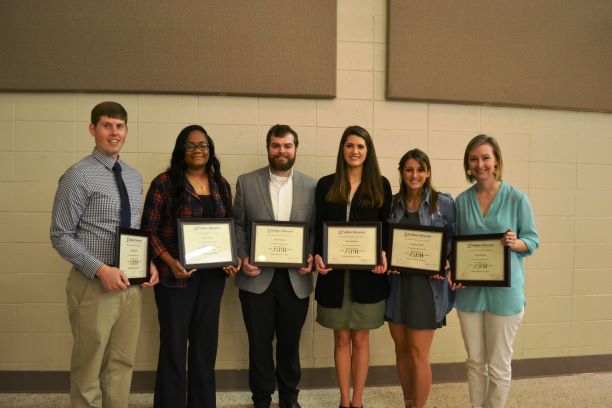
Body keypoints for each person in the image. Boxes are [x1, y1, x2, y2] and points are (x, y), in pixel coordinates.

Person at [50, 101, 158, 408]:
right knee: (89, 365)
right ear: (92, 129)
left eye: (120, 126)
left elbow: (133, 230)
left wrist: (147, 263)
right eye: (107, 125)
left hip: (131, 285)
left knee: (121, 363)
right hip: (94, 284)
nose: (114, 132)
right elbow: (60, 235)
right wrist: (100, 269)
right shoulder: (78, 176)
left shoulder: (134, 177)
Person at [140, 125, 237, 407]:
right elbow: (149, 231)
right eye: (191, 145)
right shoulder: (165, 183)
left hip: (212, 279)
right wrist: (170, 262)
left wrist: (231, 259)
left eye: (203, 145)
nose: (198, 150)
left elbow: (227, 229)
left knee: (205, 349)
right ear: (182, 150)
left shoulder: (221, 184)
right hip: (175, 280)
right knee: (173, 347)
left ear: (211, 149)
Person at [452, 134, 539, 408]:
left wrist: (516, 243)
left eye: (486, 158)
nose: (480, 164)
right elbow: (453, 245)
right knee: (475, 361)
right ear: (468, 164)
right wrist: (451, 270)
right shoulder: (461, 202)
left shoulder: (517, 198)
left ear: (497, 161)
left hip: (505, 294)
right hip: (469, 294)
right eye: (474, 159)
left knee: (499, 364)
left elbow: (533, 240)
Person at [234, 124, 317, 408]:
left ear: (295, 148)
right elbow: (239, 224)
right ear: (268, 147)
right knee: (259, 345)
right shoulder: (246, 182)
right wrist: (243, 256)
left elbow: (316, 231)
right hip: (256, 279)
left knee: (290, 344)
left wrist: (310, 256)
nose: (282, 151)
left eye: (287, 145)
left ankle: (289, 398)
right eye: (276, 145)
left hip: (296, 278)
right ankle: (261, 399)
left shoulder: (312, 186)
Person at [313, 125, 392, 408]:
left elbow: (387, 228)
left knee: (360, 339)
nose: (354, 151)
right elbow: (317, 228)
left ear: (368, 151)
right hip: (334, 276)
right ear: (342, 150)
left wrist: (384, 254)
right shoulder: (326, 184)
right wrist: (316, 255)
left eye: (360, 146)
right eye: (349, 146)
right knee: (341, 338)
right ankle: (343, 401)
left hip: (367, 277)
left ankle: (357, 400)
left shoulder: (381, 185)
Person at [385, 149, 455, 408]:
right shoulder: (391, 203)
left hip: (426, 288)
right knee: (401, 351)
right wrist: (386, 258)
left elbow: (455, 241)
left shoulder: (444, 203)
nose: (414, 175)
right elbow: (384, 242)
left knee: (418, 353)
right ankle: (408, 402)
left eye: (420, 170)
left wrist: (447, 260)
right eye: (409, 170)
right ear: (402, 172)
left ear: (428, 173)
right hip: (397, 286)